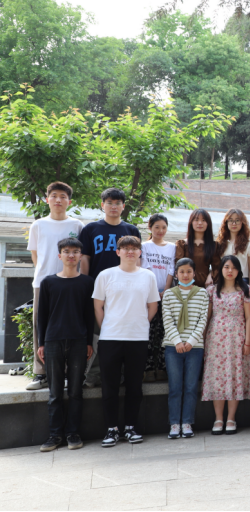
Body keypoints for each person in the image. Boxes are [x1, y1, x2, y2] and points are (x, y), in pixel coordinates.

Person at [92, 236, 160, 447]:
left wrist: (140, 324)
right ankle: (111, 429)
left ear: (140, 252)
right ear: (118, 251)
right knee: (109, 386)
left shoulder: (148, 276)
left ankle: (131, 427)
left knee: (134, 386)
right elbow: (98, 306)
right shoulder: (105, 275)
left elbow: (153, 306)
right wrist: (108, 327)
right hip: (110, 338)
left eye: (134, 248)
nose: (130, 251)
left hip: (137, 338)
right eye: (126, 248)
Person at [37, 238, 94, 452]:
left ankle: (73, 433)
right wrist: (41, 343)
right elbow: (42, 315)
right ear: (60, 255)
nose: (71, 255)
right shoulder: (48, 282)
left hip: (79, 341)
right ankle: (55, 435)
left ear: (80, 255)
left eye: (76, 251)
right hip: (53, 341)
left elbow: (89, 316)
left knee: (76, 390)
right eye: (67, 251)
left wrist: (88, 342)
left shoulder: (87, 282)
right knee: (55, 392)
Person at [80, 188, 141, 388]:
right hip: (99, 291)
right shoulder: (91, 229)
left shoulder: (131, 230)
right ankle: (93, 375)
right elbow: (85, 258)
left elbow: (138, 260)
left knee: (123, 332)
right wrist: (86, 283)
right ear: (102, 205)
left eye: (117, 203)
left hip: (126, 291)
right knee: (99, 334)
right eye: (109, 203)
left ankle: (120, 374)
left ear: (123, 206)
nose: (113, 207)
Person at [27, 182, 85, 391]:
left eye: (63, 196)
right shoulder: (38, 225)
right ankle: (40, 373)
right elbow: (35, 254)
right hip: (44, 283)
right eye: (54, 196)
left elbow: (80, 253)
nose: (58, 200)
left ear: (69, 201)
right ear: (47, 199)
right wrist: (46, 274)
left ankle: (69, 372)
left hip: (72, 283)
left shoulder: (77, 225)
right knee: (40, 324)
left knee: (71, 324)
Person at [202, 256, 250, 436]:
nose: (230, 271)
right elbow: (208, 317)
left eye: (233, 267)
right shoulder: (211, 290)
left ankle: (231, 418)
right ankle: (218, 418)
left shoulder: (245, 290)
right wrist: (203, 340)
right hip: (215, 338)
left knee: (235, 375)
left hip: (237, 337)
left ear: (239, 270)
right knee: (217, 376)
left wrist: (248, 341)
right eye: (226, 267)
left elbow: (249, 317)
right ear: (220, 269)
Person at [162, 258, 209, 440]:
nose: (185, 275)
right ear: (176, 274)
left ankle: (187, 422)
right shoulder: (169, 294)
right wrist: (177, 341)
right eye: (181, 271)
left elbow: (203, 320)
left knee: (190, 387)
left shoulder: (202, 293)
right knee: (175, 387)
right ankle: (174, 423)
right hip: (173, 347)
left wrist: (190, 341)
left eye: (189, 271)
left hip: (195, 347)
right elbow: (167, 320)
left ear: (194, 273)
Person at [142, 214, 176, 382]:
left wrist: (166, 289)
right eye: (157, 227)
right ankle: (148, 369)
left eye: (164, 227)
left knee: (164, 331)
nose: (160, 230)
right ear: (150, 227)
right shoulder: (144, 246)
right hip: (148, 295)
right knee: (148, 331)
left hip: (166, 295)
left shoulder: (172, 247)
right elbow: (146, 267)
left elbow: (171, 268)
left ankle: (162, 368)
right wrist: (154, 291)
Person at [175, 209, 219, 288]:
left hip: (205, 286)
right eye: (196, 220)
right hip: (185, 285)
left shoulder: (213, 245)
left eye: (203, 220)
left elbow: (217, 267)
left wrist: (210, 276)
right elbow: (178, 265)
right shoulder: (182, 244)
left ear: (208, 223)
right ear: (191, 222)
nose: (200, 223)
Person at [216, 209, 250, 287]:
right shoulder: (221, 241)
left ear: (242, 222)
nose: (234, 223)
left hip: (243, 280)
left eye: (237, 220)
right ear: (226, 222)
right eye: (231, 220)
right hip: (224, 280)